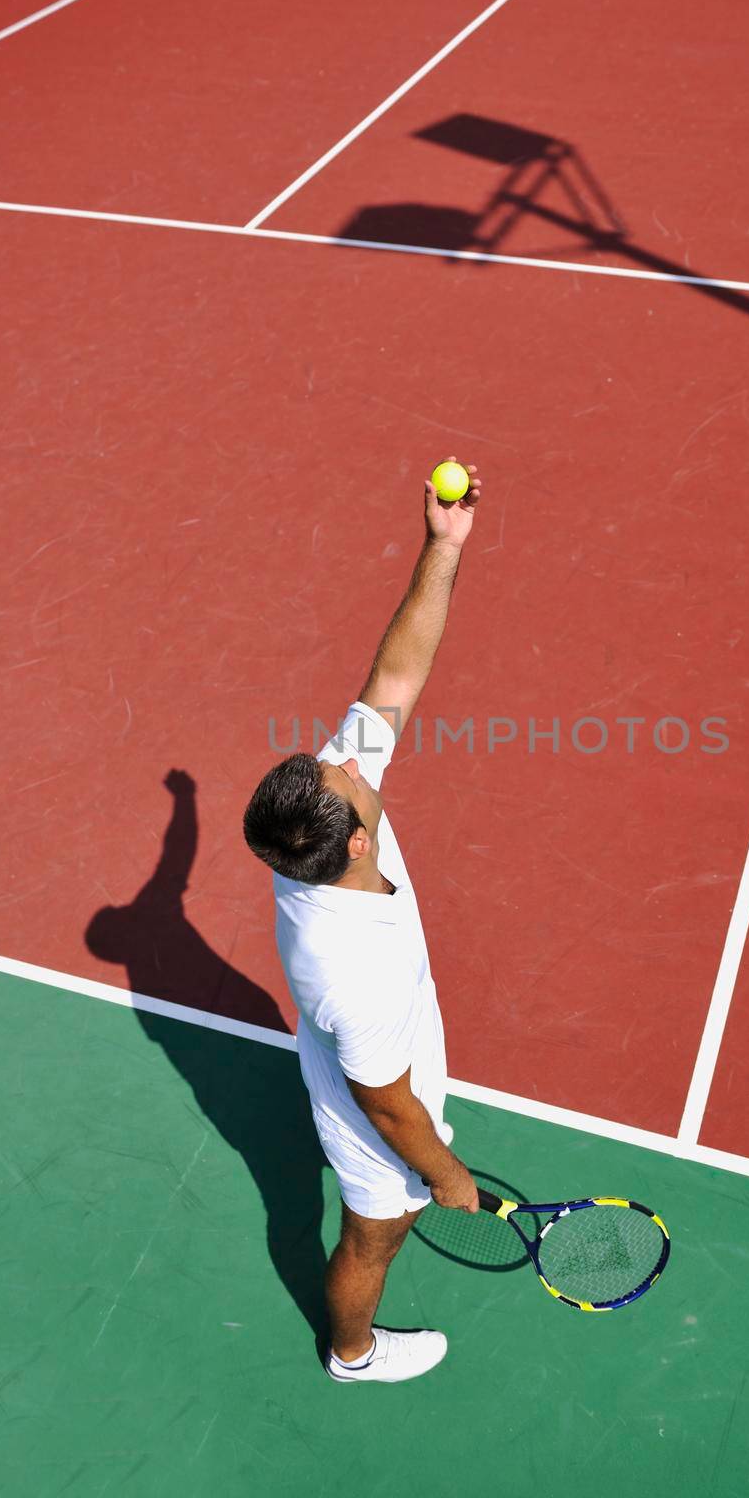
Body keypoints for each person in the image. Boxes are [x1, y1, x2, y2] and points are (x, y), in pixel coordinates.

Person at [243, 459, 482, 1385]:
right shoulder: (357, 974)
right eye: (347, 775)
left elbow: (396, 669)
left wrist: (441, 545)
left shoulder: (323, 830)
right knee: (376, 1232)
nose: (354, 760)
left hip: (377, 1055)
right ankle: (351, 1351)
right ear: (347, 844)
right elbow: (387, 1102)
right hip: (375, 1106)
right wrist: (443, 1173)